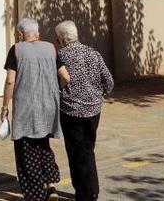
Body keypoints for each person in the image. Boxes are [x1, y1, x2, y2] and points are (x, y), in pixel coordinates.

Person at [0, 17, 71, 201]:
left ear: (21, 33)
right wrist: (56, 92)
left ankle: (35, 195)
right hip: (48, 108)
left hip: (27, 110)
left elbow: (10, 81)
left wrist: (4, 106)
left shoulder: (16, 49)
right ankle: (51, 187)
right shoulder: (51, 48)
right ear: (37, 33)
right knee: (43, 146)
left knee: (26, 151)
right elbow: (65, 76)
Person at [54, 20, 114, 201]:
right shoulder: (93, 53)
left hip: (71, 111)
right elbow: (109, 82)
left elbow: (57, 82)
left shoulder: (61, 55)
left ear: (63, 39)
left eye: (57, 40)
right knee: (88, 149)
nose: (57, 43)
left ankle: (83, 194)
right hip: (94, 111)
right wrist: (97, 96)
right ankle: (93, 190)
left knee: (76, 153)